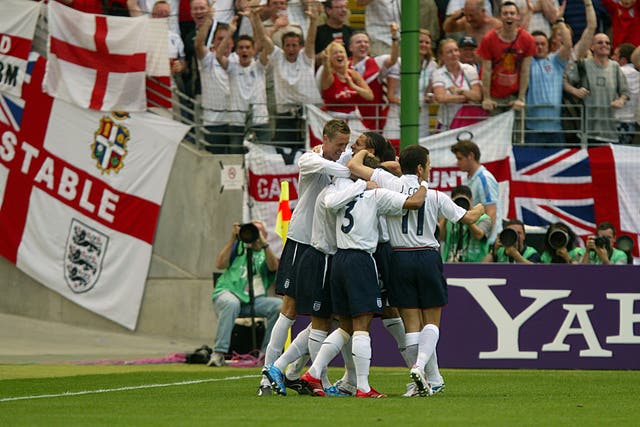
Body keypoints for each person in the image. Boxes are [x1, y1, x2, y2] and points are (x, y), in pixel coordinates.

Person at [348, 145, 485, 397]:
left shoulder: (387, 182)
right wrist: (482, 208)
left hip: (399, 257)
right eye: (428, 164)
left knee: (411, 325)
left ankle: (418, 381)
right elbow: (468, 219)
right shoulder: (434, 195)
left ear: (402, 165)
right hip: (427, 256)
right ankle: (420, 368)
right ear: (421, 167)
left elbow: (354, 166)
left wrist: (367, 151)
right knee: (431, 321)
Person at [299, 163, 429, 398]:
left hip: (339, 259)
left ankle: (314, 372)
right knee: (362, 326)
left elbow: (333, 202)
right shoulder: (374, 194)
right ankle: (363, 387)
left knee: (346, 325)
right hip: (360, 260)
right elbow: (414, 203)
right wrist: (424, 183)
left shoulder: (338, 192)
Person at [259, 119, 351, 396]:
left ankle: (293, 372)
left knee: (324, 315)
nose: (342, 150)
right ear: (325, 139)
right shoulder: (309, 159)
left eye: (345, 145)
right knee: (289, 309)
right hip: (301, 241)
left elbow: (348, 164)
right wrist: (355, 167)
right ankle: (267, 374)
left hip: (324, 246)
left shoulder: (342, 156)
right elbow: (340, 168)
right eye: (338, 145)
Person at [208, 221, 282, 367]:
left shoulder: (265, 252)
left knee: (279, 306)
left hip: (254, 301)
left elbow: (274, 267)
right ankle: (219, 353)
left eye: (258, 231)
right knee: (231, 303)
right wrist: (232, 240)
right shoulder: (238, 247)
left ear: (265, 235)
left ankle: (266, 355)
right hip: (228, 293)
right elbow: (220, 264)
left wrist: (263, 244)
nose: (253, 234)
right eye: (251, 230)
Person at [260, 5, 322, 148]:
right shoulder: (277, 57)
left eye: (294, 45)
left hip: (310, 114)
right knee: (282, 150)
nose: (291, 49)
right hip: (285, 115)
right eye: (287, 45)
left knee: (312, 150)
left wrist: (313, 21)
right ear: (282, 47)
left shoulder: (306, 58)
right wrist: (256, 20)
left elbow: (311, 40)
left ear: (300, 47)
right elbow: (264, 40)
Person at [217, 8, 272, 150]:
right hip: (237, 122)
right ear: (237, 51)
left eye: (248, 47)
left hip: (260, 120)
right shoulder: (232, 67)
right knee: (236, 161)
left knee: (263, 159)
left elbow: (267, 44)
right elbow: (218, 56)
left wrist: (255, 20)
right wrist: (230, 31)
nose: (244, 50)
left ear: (253, 50)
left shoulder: (259, 66)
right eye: (241, 47)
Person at [564, 33, 630, 144]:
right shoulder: (583, 65)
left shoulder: (615, 67)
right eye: (600, 42)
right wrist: (575, 91)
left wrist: (621, 100)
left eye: (607, 43)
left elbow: (625, 91)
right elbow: (563, 80)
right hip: (586, 132)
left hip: (610, 132)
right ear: (592, 47)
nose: (604, 45)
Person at [477, 1, 536, 115]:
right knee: (494, 132)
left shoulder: (527, 39)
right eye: (505, 13)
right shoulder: (489, 39)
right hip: (495, 96)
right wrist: (486, 98)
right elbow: (486, 70)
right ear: (500, 17)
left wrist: (521, 98)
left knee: (517, 131)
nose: (509, 16)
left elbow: (525, 70)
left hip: (514, 94)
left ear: (518, 17)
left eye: (512, 13)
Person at [525, 21, 571, 145]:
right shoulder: (526, 63)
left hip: (556, 129)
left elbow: (568, 45)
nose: (539, 47)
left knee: (560, 164)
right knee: (532, 164)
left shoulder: (555, 61)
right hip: (532, 129)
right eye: (536, 44)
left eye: (542, 44)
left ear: (548, 45)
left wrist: (560, 21)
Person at [450, 139, 503, 244]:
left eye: (460, 159)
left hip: (487, 243)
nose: (457, 163)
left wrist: (485, 241)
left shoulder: (484, 179)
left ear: (471, 156)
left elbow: (491, 211)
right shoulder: (471, 179)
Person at [349, 26, 399, 133]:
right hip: (351, 120)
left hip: (373, 122)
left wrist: (394, 38)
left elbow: (393, 60)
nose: (363, 44)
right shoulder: (343, 66)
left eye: (366, 42)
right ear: (351, 48)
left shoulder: (377, 63)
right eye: (358, 42)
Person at [195, 11, 233, 153]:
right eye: (219, 39)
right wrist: (208, 21)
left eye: (226, 39)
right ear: (213, 42)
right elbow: (198, 44)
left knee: (236, 166)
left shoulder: (238, 59)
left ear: (232, 42)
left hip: (235, 121)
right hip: (213, 123)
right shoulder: (207, 60)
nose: (223, 42)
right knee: (215, 166)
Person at [431, 38, 484, 131]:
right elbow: (441, 98)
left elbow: (477, 96)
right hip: (447, 123)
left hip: (468, 121)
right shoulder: (438, 73)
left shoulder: (469, 69)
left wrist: (460, 91)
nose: (454, 54)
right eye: (449, 52)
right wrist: (467, 96)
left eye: (456, 50)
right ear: (442, 56)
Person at [319, 41, 374, 120]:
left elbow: (370, 96)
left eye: (341, 52)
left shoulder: (353, 74)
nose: (339, 55)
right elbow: (326, 69)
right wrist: (325, 61)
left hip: (353, 117)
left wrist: (353, 86)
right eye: (335, 53)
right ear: (330, 58)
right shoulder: (329, 76)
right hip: (334, 119)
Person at [439, 185, 492, 263]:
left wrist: (468, 217)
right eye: (457, 201)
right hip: (450, 264)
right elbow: (441, 237)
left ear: (471, 200)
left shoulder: (483, 218)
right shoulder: (450, 219)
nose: (461, 205)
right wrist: (447, 212)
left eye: (464, 201)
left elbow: (479, 235)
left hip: (476, 266)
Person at [612, 43, 640, 144]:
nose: (612, 57)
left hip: (618, 123)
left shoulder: (616, 72)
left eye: (615, 55)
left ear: (623, 59)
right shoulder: (638, 75)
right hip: (632, 123)